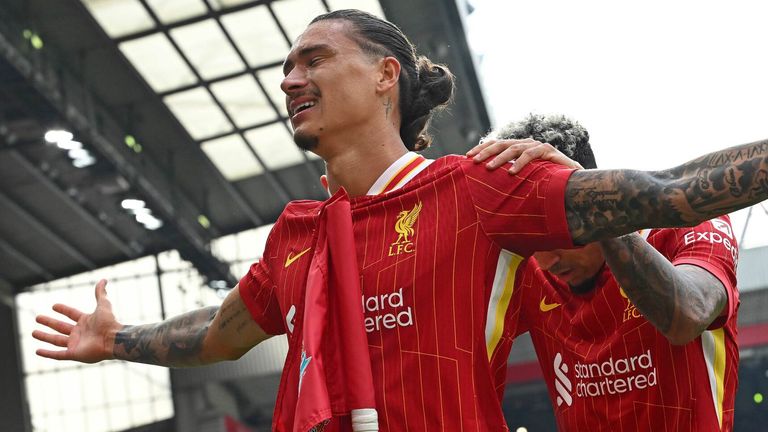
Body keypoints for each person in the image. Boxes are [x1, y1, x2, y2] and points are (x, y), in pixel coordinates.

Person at [33, 9, 768, 432]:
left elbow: (663, 190)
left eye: (314, 60)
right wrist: (119, 340)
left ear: (386, 75)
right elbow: (220, 336)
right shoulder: (297, 235)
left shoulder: (480, 189)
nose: (290, 78)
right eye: (285, 68)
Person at [468, 113, 739, 430]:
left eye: (557, 231)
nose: (546, 261)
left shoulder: (684, 229)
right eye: (535, 236)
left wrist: (602, 209)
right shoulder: (527, 271)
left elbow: (687, 317)